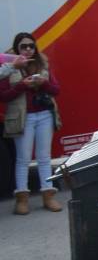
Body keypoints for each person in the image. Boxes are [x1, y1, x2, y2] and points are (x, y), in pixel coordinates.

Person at [1, 33, 62, 215]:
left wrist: (43, 83)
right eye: (23, 46)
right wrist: (22, 86)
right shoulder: (9, 67)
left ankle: (48, 196)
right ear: (16, 49)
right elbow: (3, 96)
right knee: (23, 159)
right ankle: (22, 200)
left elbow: (56, 90)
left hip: (44, 115)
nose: (28, 49)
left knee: (44, 158)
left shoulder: (42, 65)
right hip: (23, 118)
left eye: (31, 46)